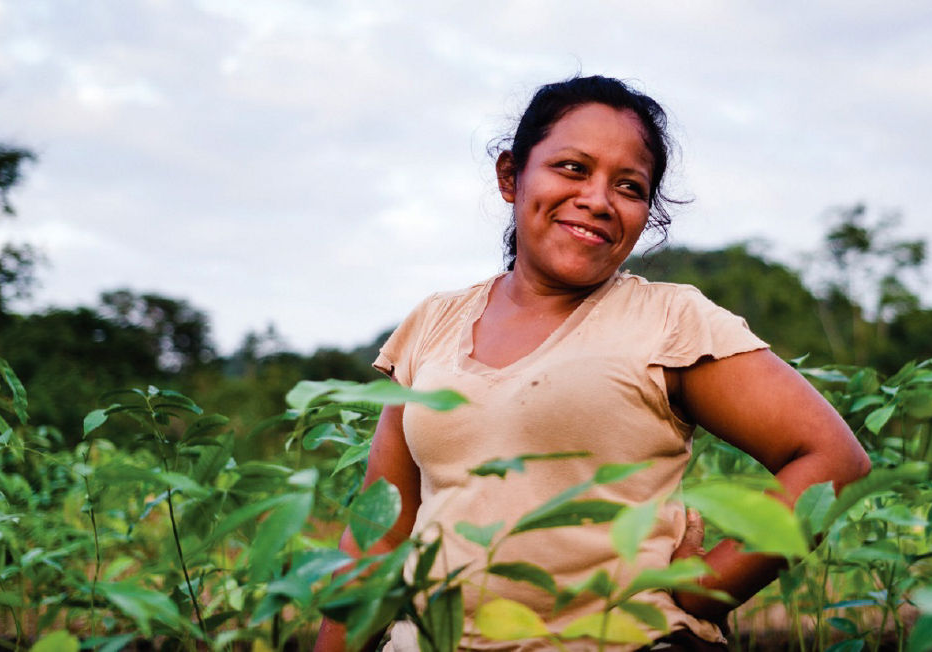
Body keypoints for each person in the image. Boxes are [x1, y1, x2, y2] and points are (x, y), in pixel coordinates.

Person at [315, 75, 870, 651]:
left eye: (629, 186)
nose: (598, 200)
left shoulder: (670, 320)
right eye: (573, 169)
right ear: (511, 176)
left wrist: (712, 585)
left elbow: (833, 459)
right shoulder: (433, 322)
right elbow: (380, 531)